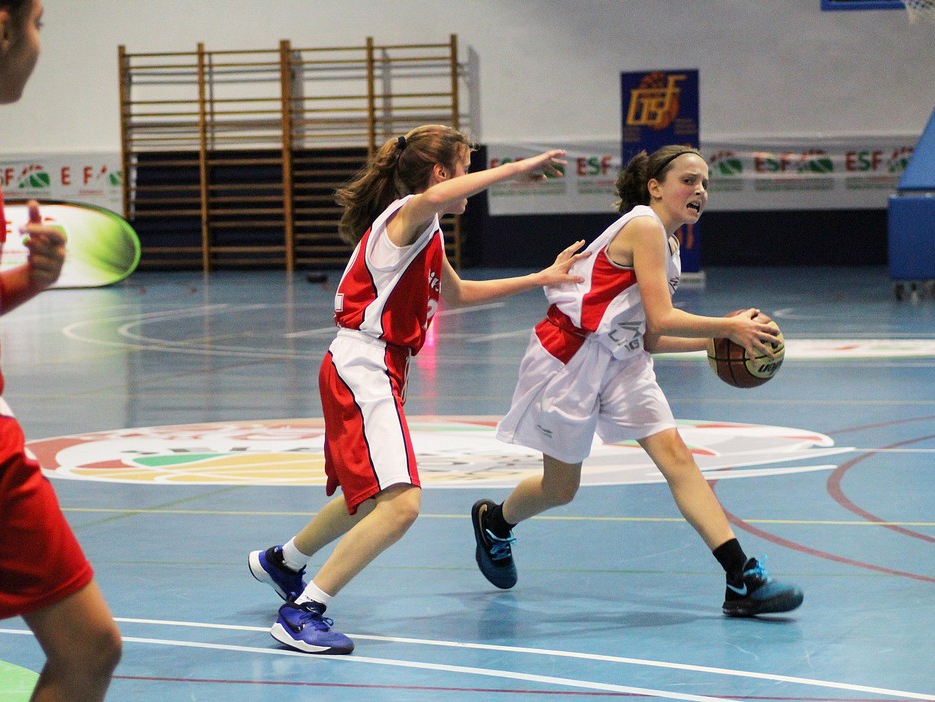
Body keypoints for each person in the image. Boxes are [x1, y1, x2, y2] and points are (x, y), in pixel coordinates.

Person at [248, 124, 588, 654]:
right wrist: (519, 168)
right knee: (403, 504)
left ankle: (284, 561)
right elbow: (435, 198)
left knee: (370, 497)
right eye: (466, 167)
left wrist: (542, 278)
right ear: (442, 171)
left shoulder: (427, 232)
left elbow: (457, 293)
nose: (470, 179)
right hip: (363, 364)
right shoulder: (410, 213)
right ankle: (304, 611)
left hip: (375, 366)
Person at [470, 145, 804, 618]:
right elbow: (664, 316)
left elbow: (651, 337)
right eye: (689, 180)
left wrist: (723, 346)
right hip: (570, 357)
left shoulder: (669, 245)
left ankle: (740, 578)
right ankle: (494, 522)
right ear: (655, 188)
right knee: (561, 488)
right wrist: (728, 329)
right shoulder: (644, 225)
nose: (700, 190)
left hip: (623, 360)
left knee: (678, 458)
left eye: (705, 183)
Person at [0, 1, 122, 699]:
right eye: (40, 21)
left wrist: (26, 279)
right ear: (0, 29)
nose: (44, 42)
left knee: (90, 646)